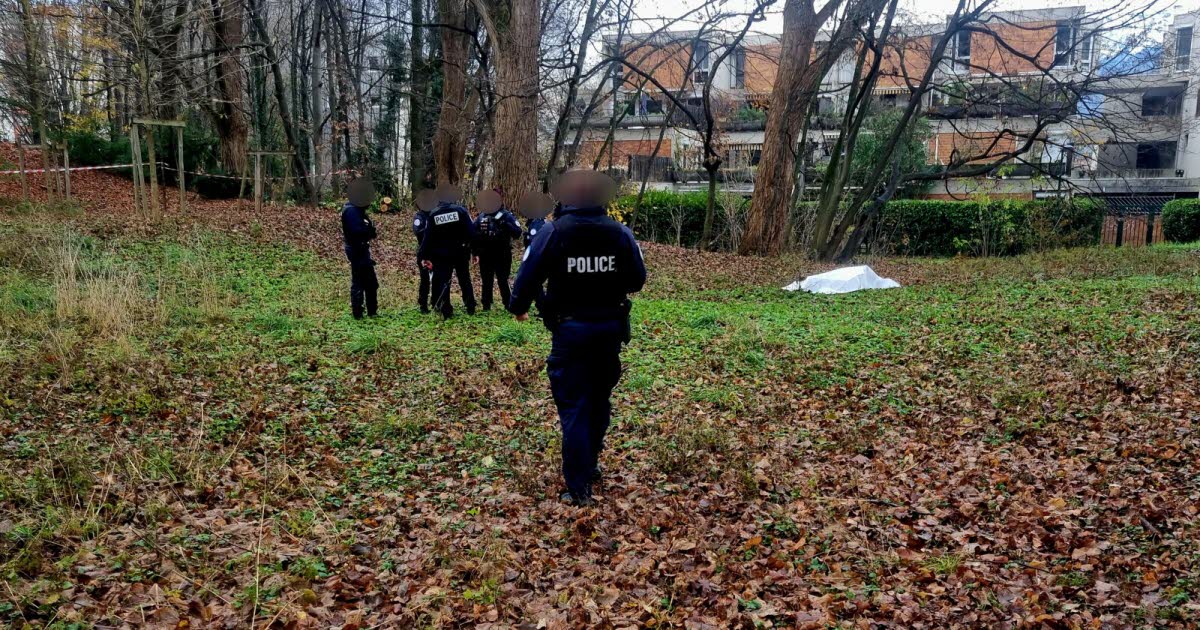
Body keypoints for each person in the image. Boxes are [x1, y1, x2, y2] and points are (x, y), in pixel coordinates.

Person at [508, 171, 646, 506]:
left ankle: (579, 485)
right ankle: (590, 463)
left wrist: (519, 306)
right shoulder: (620, 233)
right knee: (598, 400)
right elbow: (637, 279)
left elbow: (527, 276)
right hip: (609, 331)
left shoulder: (554, 232)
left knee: (574, 406)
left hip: (571, 333)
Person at [420, 184, 477, 319]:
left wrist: (425, 256)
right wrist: (475, 251)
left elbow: (428, 237)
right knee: (464, 279)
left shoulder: (434, 214)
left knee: (444, 281)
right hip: (461, 252)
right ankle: (470, 306)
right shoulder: (461, 211)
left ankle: (446, 310)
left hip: (442, 255)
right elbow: (471, 233)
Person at [472, 190, 522, 311]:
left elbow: (518, 233)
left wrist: (505, 224)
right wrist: (475, 252)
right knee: (486, 281)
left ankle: (508, 304)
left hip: (502, 253)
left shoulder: (506, 215)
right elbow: (473, 234)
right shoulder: (482, 216)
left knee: (503, 280)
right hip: (486, 254)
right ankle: (486, 305)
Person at [341, 178, 379, 319]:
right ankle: (358, 313)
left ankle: (372, 311)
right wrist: (368, 231)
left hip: (361, 250)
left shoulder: (357, 210)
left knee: (371, 283)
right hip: (357, 250)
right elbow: (357, 231)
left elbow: (367, 228)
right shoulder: (351, 211)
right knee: (359, 282)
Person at [412, 189, 438, 313]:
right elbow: (418, 231)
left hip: (436, 252)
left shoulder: (434, 214)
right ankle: (423, 304)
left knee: (437, 278)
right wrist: (430, 231)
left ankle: (436, 302)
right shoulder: (419, 216)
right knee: (425, 280)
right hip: (424, 252)